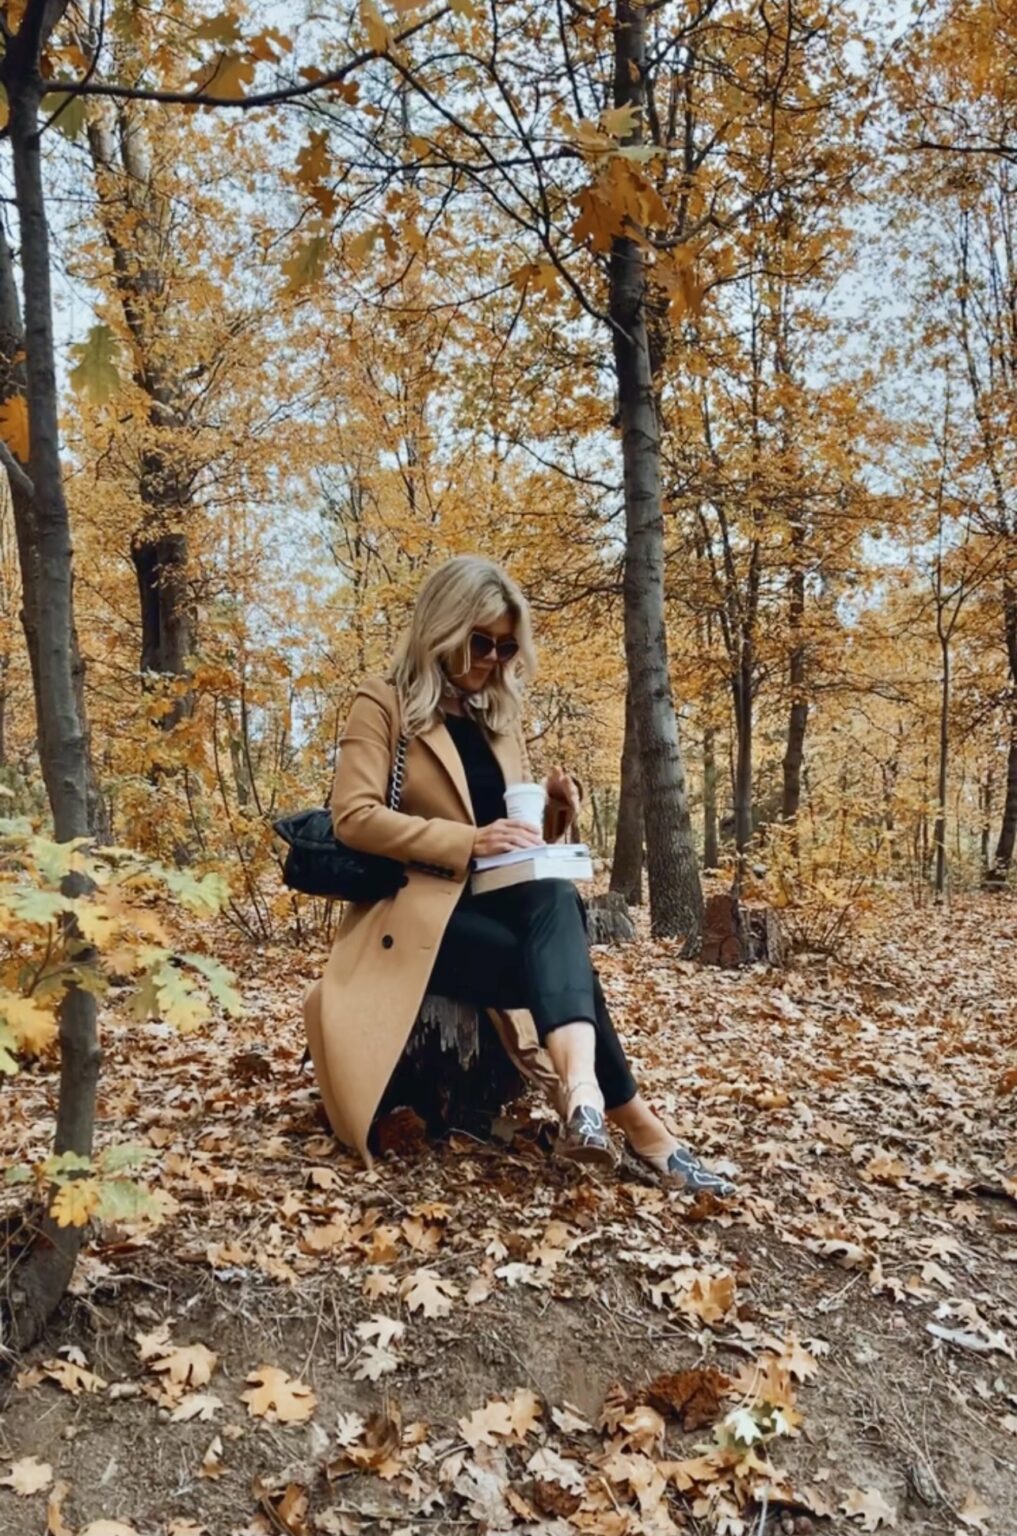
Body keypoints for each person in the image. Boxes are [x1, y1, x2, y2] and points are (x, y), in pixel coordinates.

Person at [302, 555, 734, 1196]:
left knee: (555, 899)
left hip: (495, 904)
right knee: (565, 970)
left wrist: (558, 809)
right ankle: (640, 1128)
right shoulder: (383, 703)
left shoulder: (497, 720)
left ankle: (586, 1098)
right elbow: (354, 818)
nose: (494, 661)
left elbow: (517, 842)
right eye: (482, 643)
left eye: (507, 648)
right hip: (414, 917)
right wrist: (466, 841)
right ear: (442, 629)